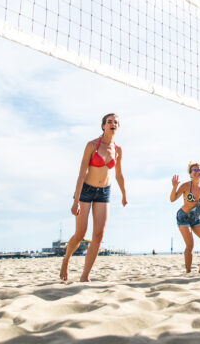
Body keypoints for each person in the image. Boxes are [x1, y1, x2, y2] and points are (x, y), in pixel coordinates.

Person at [60, 113, 127, 282]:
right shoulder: (91, 145)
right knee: (80, 234)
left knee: (98, 235)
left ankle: (85, 276)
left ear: (118, 127)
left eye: (115, 122)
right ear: (103, 126)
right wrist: (75, 201)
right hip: (86, 190)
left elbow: (119, 175)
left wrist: (124, 194)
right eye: (109, 122)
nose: (112, 124)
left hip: (104, 192)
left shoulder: (118, 150)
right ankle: (66, 259)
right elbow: (81, 174)